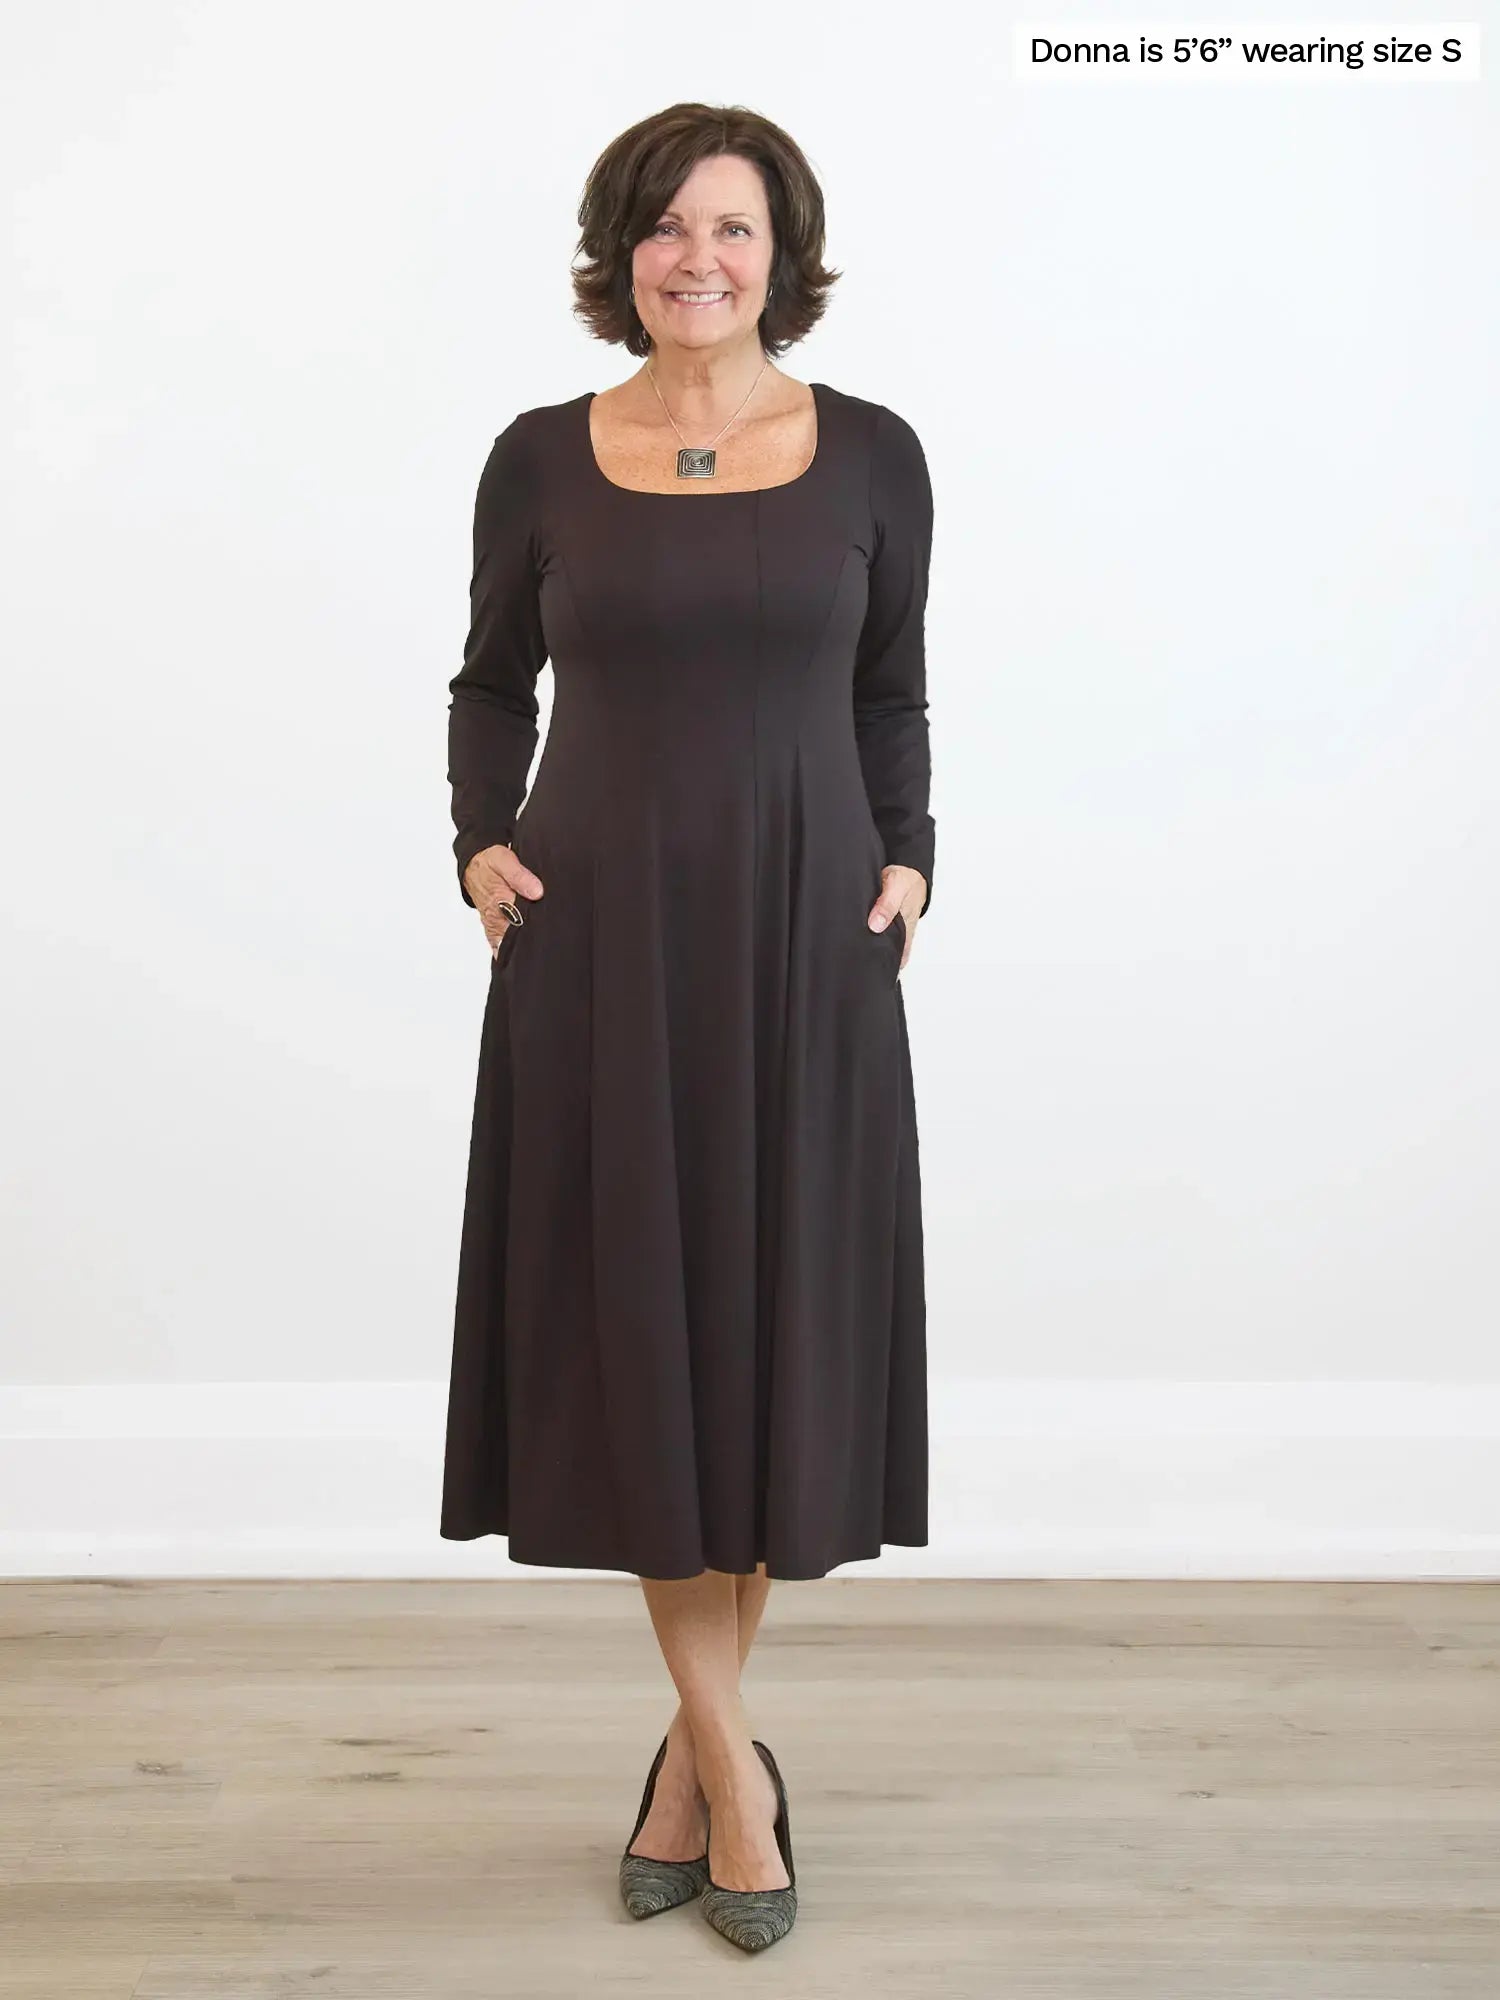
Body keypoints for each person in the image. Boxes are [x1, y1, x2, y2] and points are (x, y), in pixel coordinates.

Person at [439, 102, 936, 1952]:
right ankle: (735, 1775)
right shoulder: (540, 458)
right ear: (620, 252)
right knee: (642, 1342)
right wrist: (480, 841)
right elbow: (495, 676)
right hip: (601, 950)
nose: (696, 259)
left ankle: (685, 1762)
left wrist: (912, 862)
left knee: (760, 1354)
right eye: (663, 227)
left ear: (782, 250)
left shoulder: (876, 457)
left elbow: (893, 694)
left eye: (731, 229)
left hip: (809, 946)